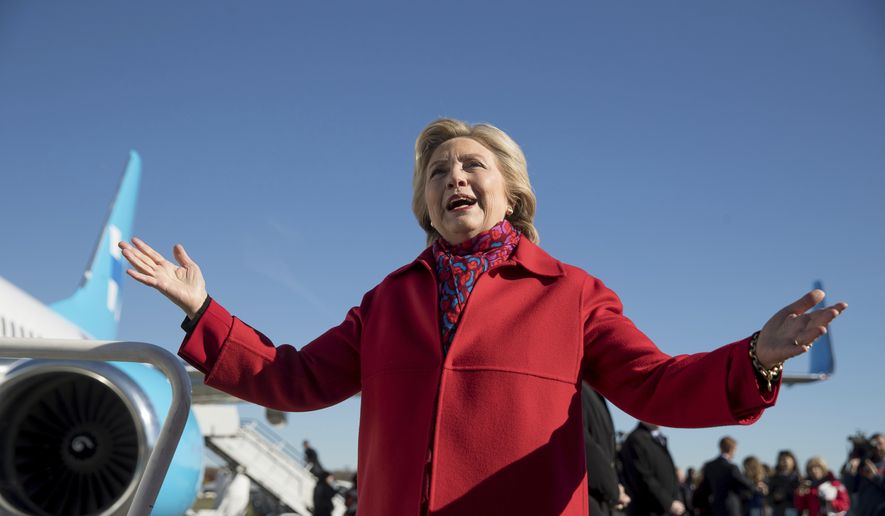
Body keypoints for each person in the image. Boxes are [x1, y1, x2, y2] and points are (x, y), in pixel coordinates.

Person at [119, 118, 847, 516]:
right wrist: (202, 312)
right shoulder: (386, 301)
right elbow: (296, 379)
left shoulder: (571, 292)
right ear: (424, 203)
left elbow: (654, 384)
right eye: (436, 172)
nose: (452, 177)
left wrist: (756, 355)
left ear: (512, 194)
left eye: (470, 166)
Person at [581, 382, 629, 515]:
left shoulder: (594, 391)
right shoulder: (578, 390)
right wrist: (613, 488)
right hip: (589, 498)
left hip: (601, 498)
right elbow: (585, 444)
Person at [619, 422, 682, 516]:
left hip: (666, 509)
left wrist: (676, 499)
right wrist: (668, 503)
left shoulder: (657, 438)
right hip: (648, 510)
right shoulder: (636, 439)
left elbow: (671, 475)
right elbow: (643, 477)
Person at [695, 437, 756, 516]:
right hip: (731, 508)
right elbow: (746, 485)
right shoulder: (732, 467)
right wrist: (754, 487)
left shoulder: (709, 466)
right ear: (731, 449)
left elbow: (704, 489)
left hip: (715, 507)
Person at [841, 433, 885, 516]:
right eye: (874, 444)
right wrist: (851, 471)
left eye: (880, 443)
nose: (877, 447)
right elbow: (851, 488)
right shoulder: (863, 466)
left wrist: (875, 477)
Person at [769, 450, 800, 516]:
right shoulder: (773, 479)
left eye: (787, 459)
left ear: (793, 461)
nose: (785, 462)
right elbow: (768, 498)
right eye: (782, 459)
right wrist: (774, 497)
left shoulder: (800, 479)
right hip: (779, 511)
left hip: (795, 511)